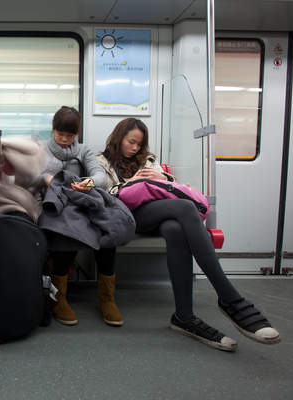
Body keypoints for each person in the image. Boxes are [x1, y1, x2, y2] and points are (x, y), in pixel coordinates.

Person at [96, 117, 281, 351]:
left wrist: (164, 178)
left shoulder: (148, 160)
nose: (135, 148)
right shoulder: (100, 162)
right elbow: (102, 196)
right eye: (131, 142)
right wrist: (129, 183)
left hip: (158, 211)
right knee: (185, 207)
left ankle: (184, 317)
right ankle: (231, 298)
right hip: (127, 215)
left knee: (174, 228)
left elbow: (167, 189)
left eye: (139, 145)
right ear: (118, 138)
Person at [38, 106, 125, 327]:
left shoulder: (83, 150)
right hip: (54, 204)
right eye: (60, 134)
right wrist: (49, 179)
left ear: (77, 134)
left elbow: (99, 176)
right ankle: (59, 297)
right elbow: (31, 172)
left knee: (108, 232)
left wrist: (89, 182)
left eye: (70, 135)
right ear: (53, 130)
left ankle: (107, 298)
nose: (65, 139)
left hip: (79, 200)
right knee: (69, 231)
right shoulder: (41, 149)